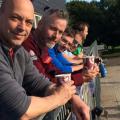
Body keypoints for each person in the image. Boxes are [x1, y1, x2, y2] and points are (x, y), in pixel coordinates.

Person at [0, 1, 77, 120]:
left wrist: (70, 96)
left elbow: (38, 82)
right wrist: (59, 97)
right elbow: (22, 111)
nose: (22, 27)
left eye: (29, 22)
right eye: (15, 18)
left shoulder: (19, 51)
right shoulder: (24, 47)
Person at [23, 9, 90, 120]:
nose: (56, 36)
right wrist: (80, 77)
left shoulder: (44, 46)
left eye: (60, 32)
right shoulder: (26, 44)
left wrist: (74, 97)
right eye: (53, 29)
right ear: (39, 24)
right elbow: (43, 78)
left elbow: (55, 72)